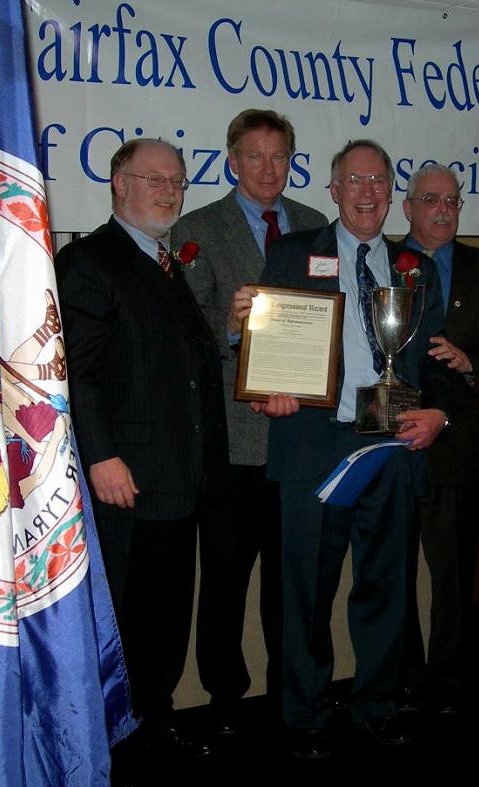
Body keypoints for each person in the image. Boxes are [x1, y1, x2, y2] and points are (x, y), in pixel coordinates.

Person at [229, 139, 456, 760]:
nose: (366, 191)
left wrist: (439, 409)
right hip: (313, 450)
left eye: (378, 180)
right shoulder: (292, 254)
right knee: (305, 590)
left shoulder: (415, 267)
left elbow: (433, 359)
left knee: (387, 586)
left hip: (391, 445)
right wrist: (267, 391)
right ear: (332, 190)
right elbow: (262, 344)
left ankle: (377, 705)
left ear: (391, 192)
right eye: (353, 179)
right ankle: (302, 714)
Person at [55, 138, 227, 787]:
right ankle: (113, 747)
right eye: (153, 179)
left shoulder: (165, 262)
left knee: (162, 617)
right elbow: (76, 372)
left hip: (177, 481)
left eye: (177, 181)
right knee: (120, 621)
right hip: (122, 480)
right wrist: (99, 454)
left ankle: (154, 720)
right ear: (117, 184)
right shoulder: (89, 261)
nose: (168, 190)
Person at [173, 110, 328, 734]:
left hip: (302, 439)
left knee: (292, 583)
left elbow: (331, 327)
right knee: (227, 582)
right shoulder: (194, 229)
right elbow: (186, 329)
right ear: (231, 161)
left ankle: (290, 695)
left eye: (280, 157)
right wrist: (233, 326)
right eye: (255, 157)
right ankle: (225, 700)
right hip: (234, 443)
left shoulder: (318, 225)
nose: (269, 169)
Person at [397, 164, 479, 713]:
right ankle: (401, 679)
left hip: (458, 445)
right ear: (407, 207)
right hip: (392, 440)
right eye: (431, 199)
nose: (444, 209)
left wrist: (471, 361)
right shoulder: (377, 259)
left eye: (453, 200)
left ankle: (446, 678)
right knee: (393, 569)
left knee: (452, 574)